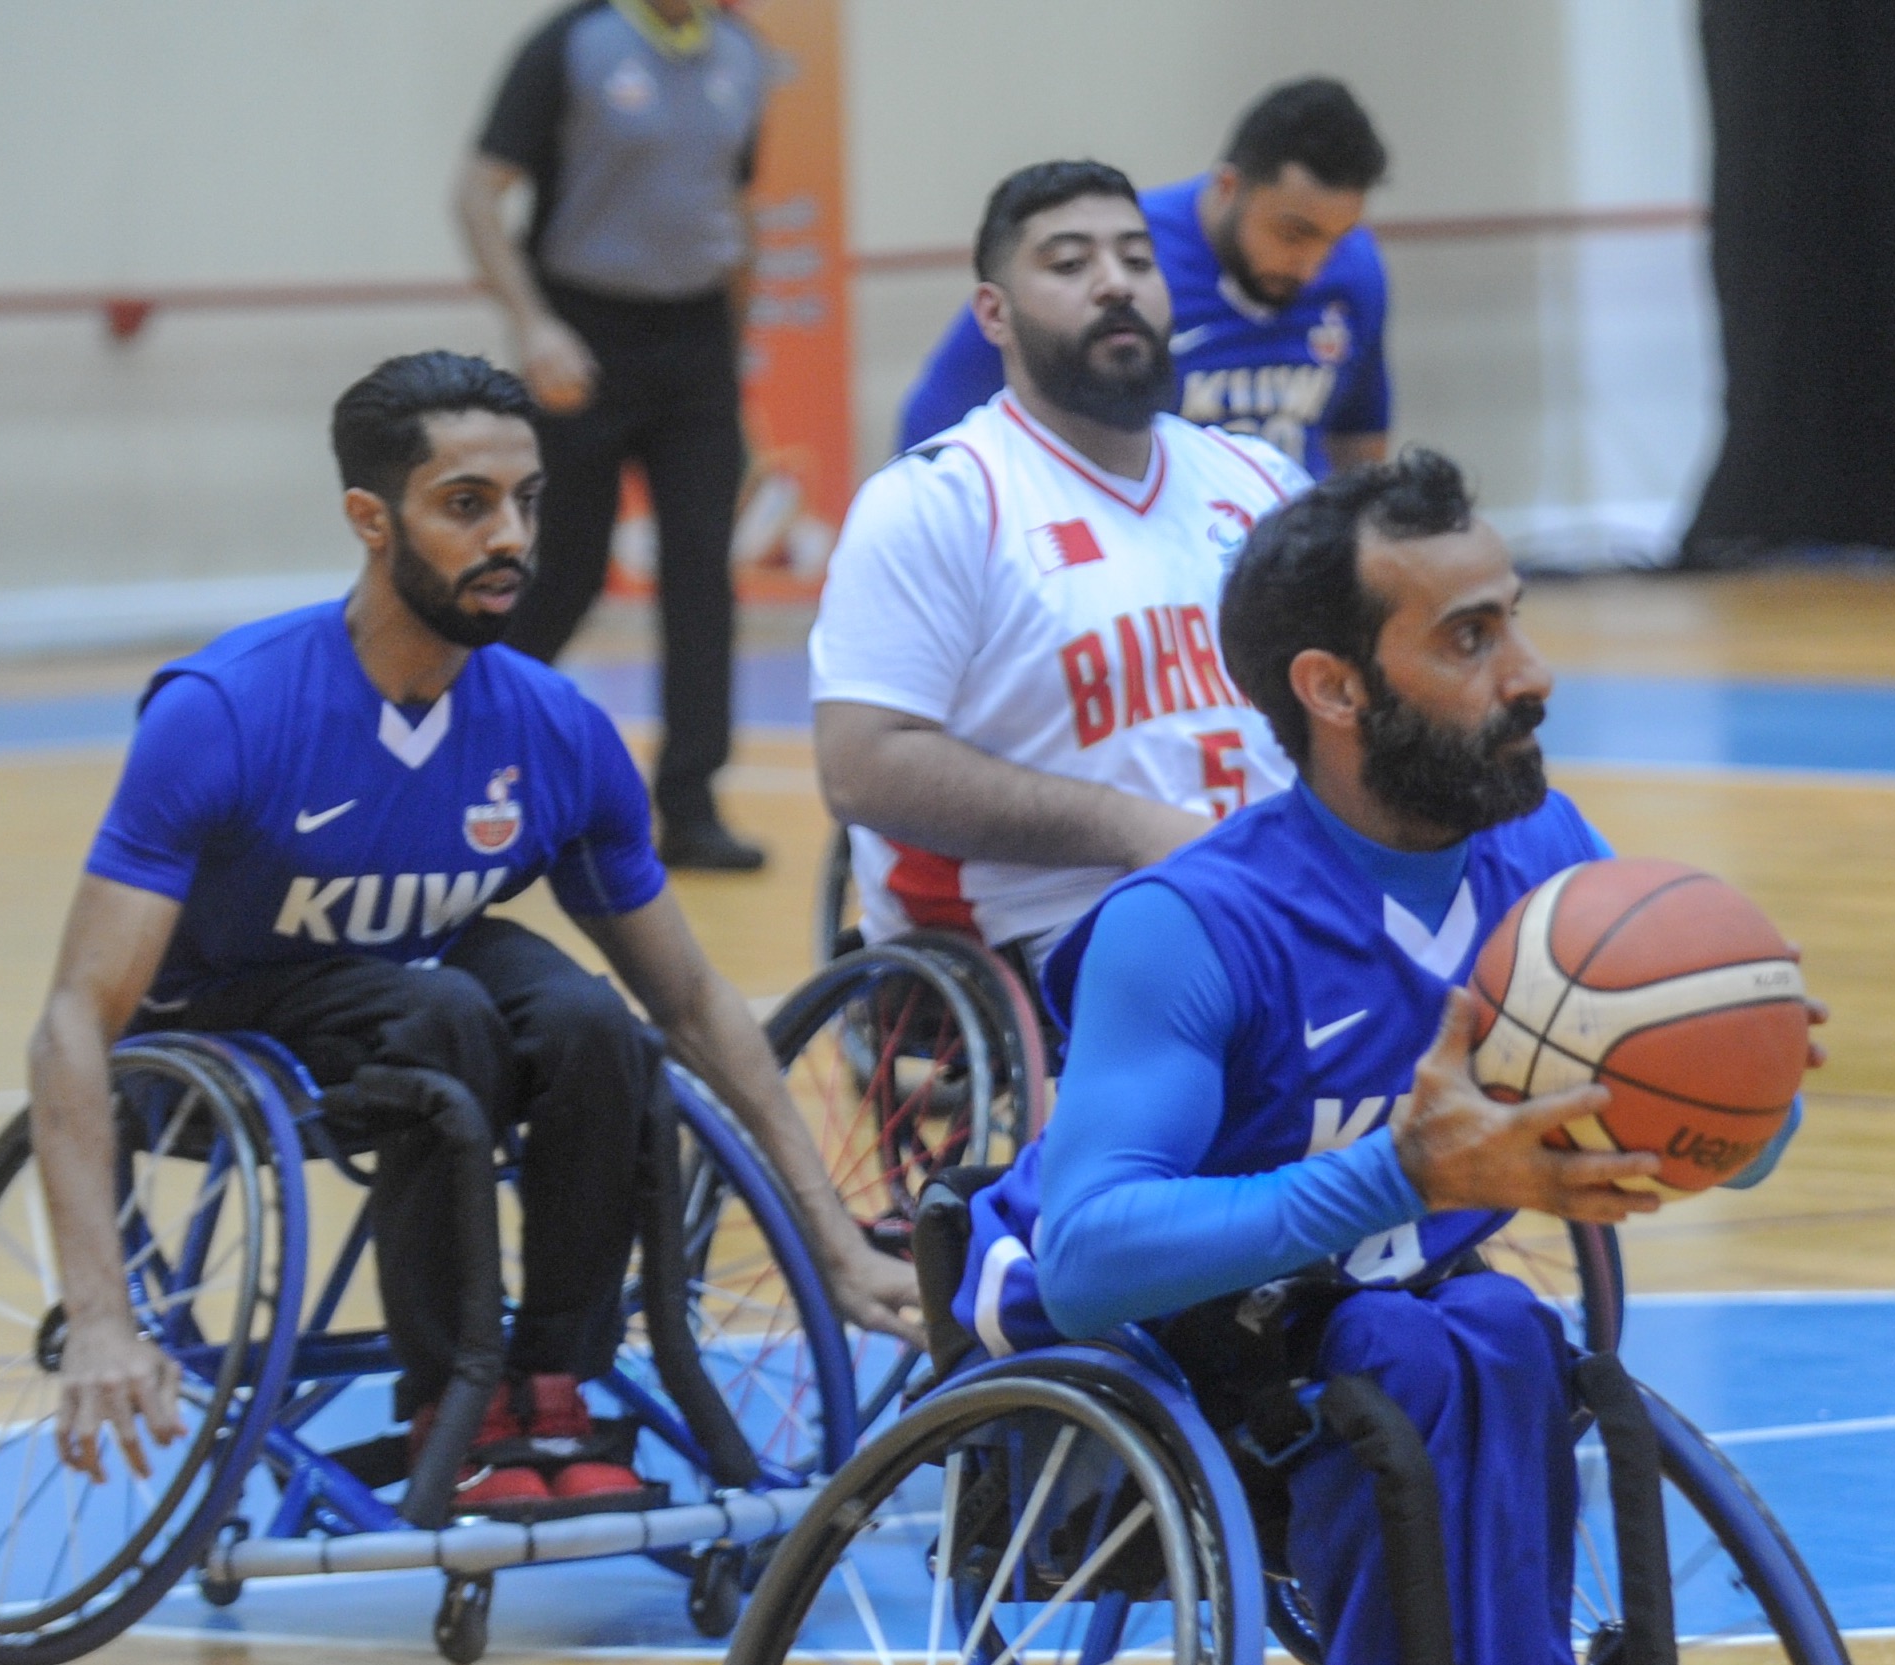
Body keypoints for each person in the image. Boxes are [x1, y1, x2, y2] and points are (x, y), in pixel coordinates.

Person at [950, 450, 1813, 1665]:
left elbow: (1705, 1147)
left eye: (1515, 622)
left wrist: (1744, 1093)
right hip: (1156, 1360)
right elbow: (1088, 1258)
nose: (1529, 673)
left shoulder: (1544, 870)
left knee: (1490, 1332)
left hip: (1389, 1327)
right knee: (1422, 1353)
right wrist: (1402, 1178)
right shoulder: (1192, 925)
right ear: (1335, 689)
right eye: (1468, 639)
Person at [34, 351, 922, 1498]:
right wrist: (99, 1315)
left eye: (528, 502)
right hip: (222, 1020)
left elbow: (695, 1001)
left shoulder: (554, 729)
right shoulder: (226, 714)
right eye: (467, 505)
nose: (510, 536)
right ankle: (449, 1396)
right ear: (370, 517)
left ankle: (552, 1391)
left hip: (416, 991)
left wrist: (833, 1236)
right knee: (442, 1008)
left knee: (595, 1025)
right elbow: (70, 1017)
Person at [815, 161, 1308, 993]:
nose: (1115, 285)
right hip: (1053, 928)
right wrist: (1134, 830)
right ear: (993, 315)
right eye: (1070, 264)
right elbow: (860, 766)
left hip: (1272, 895)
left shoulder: (1261, 482)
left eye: (1136, 260)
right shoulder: (939, 500)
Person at [454, 0, 771, 873]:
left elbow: (732, 207)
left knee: (702, 573)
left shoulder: (743, 55)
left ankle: (691, 804)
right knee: (568, 573)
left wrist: (732, 357)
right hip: (583, 330)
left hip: (698, 344)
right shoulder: (572, 44)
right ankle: (463, 753)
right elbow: (476, 196)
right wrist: (532, 324)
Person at [897, 78, 1392, 476]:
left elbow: (1360, 441)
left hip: (1290, 562)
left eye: (1338, 236)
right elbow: (933, 423)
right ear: (1228, 187)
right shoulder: (1114, 258)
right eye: (1293, 232)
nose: (1314, 262)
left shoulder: (1357, 270)